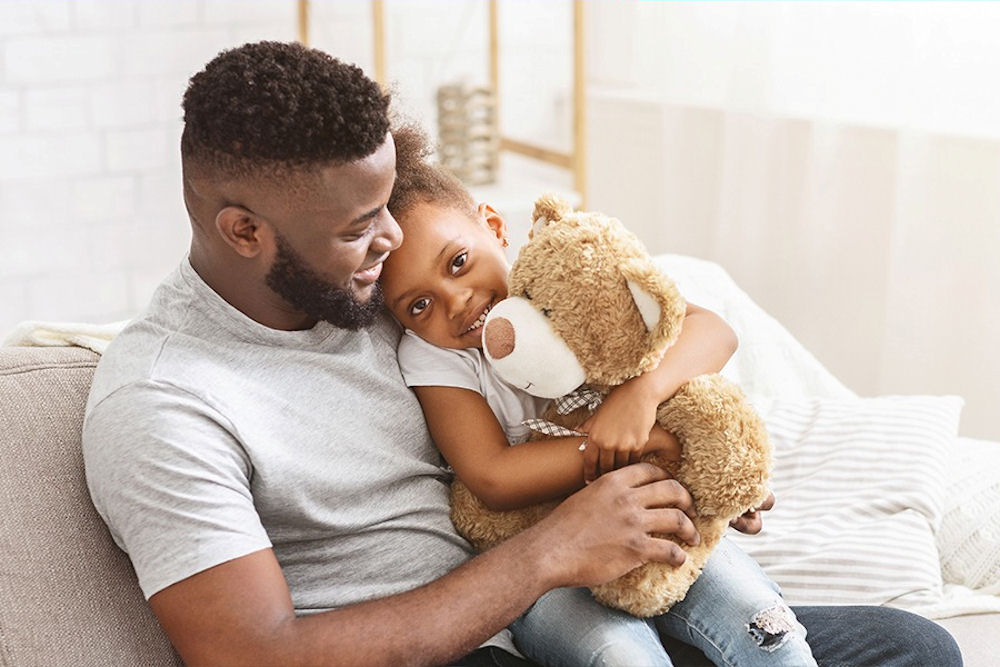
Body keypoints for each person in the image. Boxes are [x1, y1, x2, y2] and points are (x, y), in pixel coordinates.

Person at [81, 41, 961, 667]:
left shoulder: (377, 295)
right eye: (361, 228)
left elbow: (613, 355)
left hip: (562, 600)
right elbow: (251, 655)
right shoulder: (165, 401)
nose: (394, 243)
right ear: (244, 230)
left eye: (390, 206)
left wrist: (679, 456)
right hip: (453, 644)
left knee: (913, 648)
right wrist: (550, 553)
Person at [379, 127, 819, 666]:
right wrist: (642, 445)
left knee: (764, 630)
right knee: (617, 656)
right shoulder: (433, 357)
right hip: (546, 556)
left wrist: (643, 397)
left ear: (494, 227)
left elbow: (712, 331)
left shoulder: (565, 279)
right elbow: (493, 476)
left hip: (662, 523)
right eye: (418, 305)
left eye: (457, 263)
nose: (456, 302)